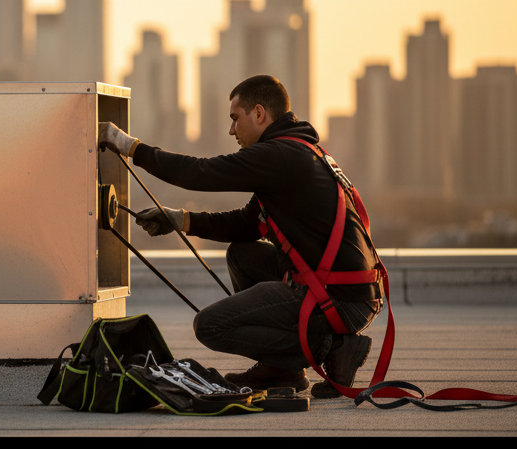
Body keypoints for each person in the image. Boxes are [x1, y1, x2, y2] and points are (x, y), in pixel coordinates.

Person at [98, 74, 383, 397]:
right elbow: (247, 225)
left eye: (235, 119)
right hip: (351, 291)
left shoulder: (278, 156)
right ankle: (284, 368)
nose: (231, 130)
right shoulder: (298, 151)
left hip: (341, 300)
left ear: (259, 114)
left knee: (210, 326)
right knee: (241, 255)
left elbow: (199, 172)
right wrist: (180, 219)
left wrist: (125, 144)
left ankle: (334, 346)